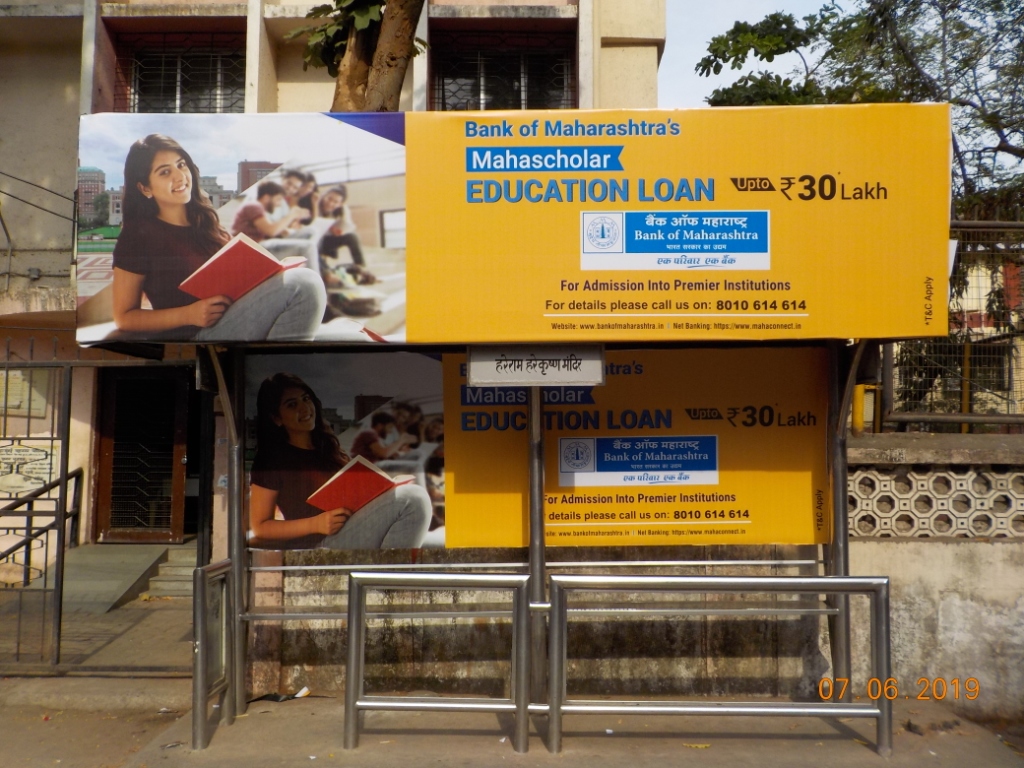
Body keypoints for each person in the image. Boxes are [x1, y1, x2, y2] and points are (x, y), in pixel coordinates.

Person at [111, 134, 326, 342]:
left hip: (236, 314)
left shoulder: (203, 221)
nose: (180, 176)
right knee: (304, 284)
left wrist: (272, 272)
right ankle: (277, 373)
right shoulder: (138, 236)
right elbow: (124, 317)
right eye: (165, 172)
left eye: (181, 164)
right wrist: (189, 314)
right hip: (199, 334)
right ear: (145, 187)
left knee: (304, 254)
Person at [249, 373, 431, 549]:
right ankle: (388, 578)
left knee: (420, 509)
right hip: (318, 545)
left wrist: (387, 488)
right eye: (292, 405)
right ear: (276, 418)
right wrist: (316, 524)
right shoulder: (271, 460)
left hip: (352, 528)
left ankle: (386, 575)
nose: (304, 408)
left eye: (306, 399)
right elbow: (261, 526)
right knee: (412, 499)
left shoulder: (327, 447)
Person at [349, 411, 416, 463]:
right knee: (415, 466)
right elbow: (384, 454)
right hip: (365, 465)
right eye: (389, 427)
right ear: (380, 425)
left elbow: (386, 454)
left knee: (415, 455)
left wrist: (399, 452)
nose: (390, 431)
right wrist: (402, 440)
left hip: (372, 464)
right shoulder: (369, 433)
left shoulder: (376, 437)